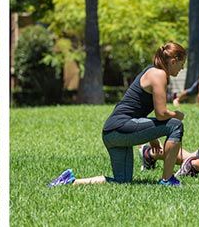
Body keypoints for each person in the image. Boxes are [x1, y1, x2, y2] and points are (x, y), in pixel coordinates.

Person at [49, 42, 188, 187]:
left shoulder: (151, 71)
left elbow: (138, 110)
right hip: (121, 128)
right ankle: (167, 179)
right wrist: (176, 114)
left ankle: (70, 181)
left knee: (122, 181)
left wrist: (153, 138)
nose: (182, 68)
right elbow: (161, 114)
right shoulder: (159, 74)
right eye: (181, 64)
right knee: (175, 125)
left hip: (111, 133)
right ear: (173, 61)